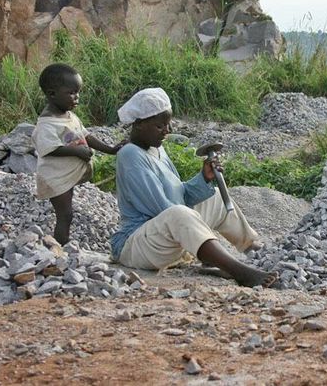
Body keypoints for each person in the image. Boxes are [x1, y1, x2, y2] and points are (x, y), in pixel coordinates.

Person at [111, 88, 277, 288]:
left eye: (168, 124)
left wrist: (203, 178)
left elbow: (179, 195)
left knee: (214, 197)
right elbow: (163, 210)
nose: (167, 130)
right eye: (159, 126)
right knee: (179, 214)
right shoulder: (130, 155)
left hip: (165, 236)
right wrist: (195, 223)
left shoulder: (158, 149)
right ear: (138, 125)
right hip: (137, 245)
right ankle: (239, 272)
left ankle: (253, 249)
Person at [32, 63, 124, 245]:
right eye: (72, 92)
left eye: (78, 92)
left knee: (68, 214)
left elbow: (86, 136)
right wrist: (76, 151)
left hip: (66, 176)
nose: (77, 97)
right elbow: (49, 148)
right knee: (65, 215)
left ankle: (59, 248)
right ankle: (59, 249)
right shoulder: (46, 124)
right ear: (52, 94)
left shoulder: (69, 116)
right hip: (55, 178)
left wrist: (111, 149)